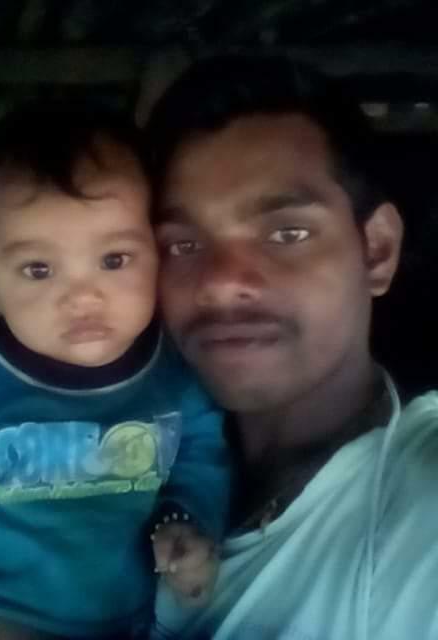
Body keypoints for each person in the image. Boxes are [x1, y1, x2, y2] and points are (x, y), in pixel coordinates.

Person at [147, 54, 438, 640]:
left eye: (287, 233)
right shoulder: (105, 447)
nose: (220, 283)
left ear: (376, 251)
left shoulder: (421, 496)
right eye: (182, 245)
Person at [0, 100, 229, 639]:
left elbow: (202, 457)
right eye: (39, 269)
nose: (83, 297)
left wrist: (185, 520)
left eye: (114, 260)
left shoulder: (173, 374)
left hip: (125, 614)